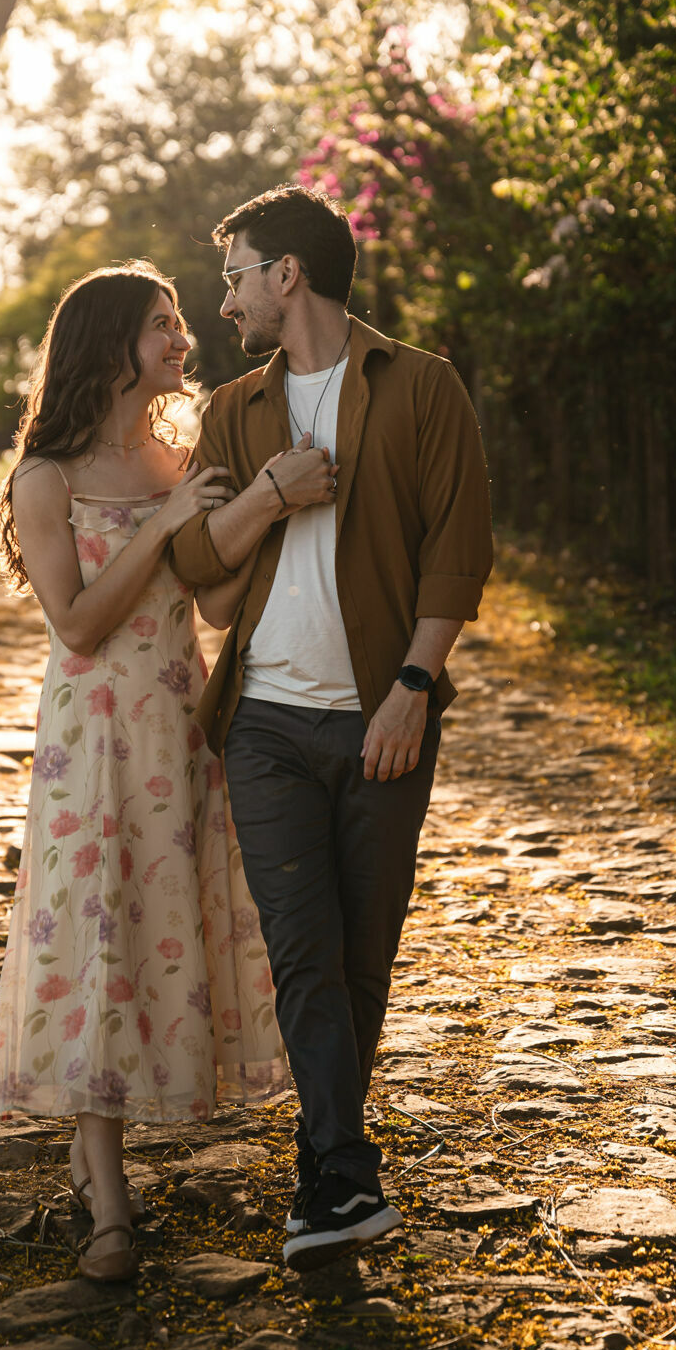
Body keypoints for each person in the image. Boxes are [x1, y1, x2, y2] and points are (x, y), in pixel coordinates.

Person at [169, 185, 493, 1272]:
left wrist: (412, 684)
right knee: (302, 952)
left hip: (382, 717)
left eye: (234, 276)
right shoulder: (232, 411)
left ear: (287, 276)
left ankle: (327, 1173)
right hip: (262, 720)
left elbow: (457, 547)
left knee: (360, 955)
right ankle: (345, 1170)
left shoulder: (422, 388)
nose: (224, 303)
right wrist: (269, 491)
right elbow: (203, 578)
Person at [0, 261, 296, 1283]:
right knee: (97, 933)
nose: (180, 339)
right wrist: (164, 526)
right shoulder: (48, 477)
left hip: (177, 725)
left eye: (177, 322)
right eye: (160, 325)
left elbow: (207, 608)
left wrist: (258, 516)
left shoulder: (178, 454)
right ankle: (106, 1195)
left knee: (160, 929)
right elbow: (75, 624)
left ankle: (94, 1155)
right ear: (108, 342)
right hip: (93, 740)